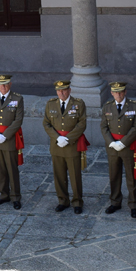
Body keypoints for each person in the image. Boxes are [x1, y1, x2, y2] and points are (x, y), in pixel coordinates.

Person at [43, 80, 89, 214]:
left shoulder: (78, 104)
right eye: (58, 91)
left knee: (75, 175)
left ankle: (77, 202)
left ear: (69, 90)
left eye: (63, 90)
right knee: (59, 175)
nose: (61, 93)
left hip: (72, 145)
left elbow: (81, 124)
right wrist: (57, 138)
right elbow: (46, 124)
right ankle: (63, 200)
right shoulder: (51, 104)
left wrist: (68, 139)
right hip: (57, 145)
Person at [100, 81, 136, 217]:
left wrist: (123, 142)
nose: (118, 94)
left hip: (128, 146)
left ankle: (134, 204)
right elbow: (103, 127)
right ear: (112, 93)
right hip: (112, 147)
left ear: (125, 92)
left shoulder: (135, 106)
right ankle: (115, 202)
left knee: (132, 176)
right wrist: (111, 142)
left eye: (121, 91)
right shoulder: (107, 107)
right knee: (114, 175)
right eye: (115, 92)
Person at [0, 74, 24, 209]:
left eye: (6, 84)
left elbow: (18, 120)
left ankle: (15, 197)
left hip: (9, 139)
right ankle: (3, 194)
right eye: (1, 84)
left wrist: (5, 135)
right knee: (0, 169)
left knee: (12, 169)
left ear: (10, 84)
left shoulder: (17, 99)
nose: (4, 87)